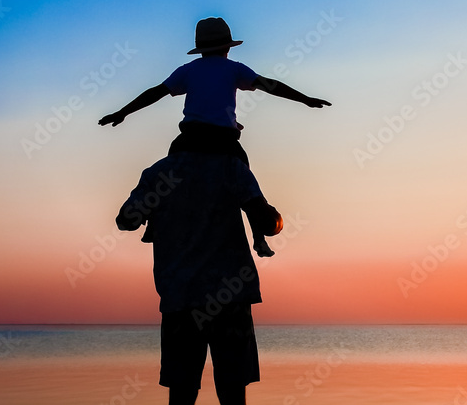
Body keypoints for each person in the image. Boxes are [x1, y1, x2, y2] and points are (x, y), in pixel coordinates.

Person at [115, 148, 282, 405]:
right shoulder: (232, 168)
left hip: (181, 300)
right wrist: (274, 219)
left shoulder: (160, 172)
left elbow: (126, 220)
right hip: (230, 298)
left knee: (180, 402)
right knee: (233, 402)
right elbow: (269, 223)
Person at [99, 16, 330, 256]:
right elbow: (269, 84)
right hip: (223, 141)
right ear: (228, 47)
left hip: (189, 138)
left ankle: (153, 225)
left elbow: (155, 93)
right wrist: (304, 99)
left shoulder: (187, 70)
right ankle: (259, 238)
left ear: (200, 49)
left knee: (169, 168)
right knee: (245, 177)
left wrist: (122, 112)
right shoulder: (234, 69)